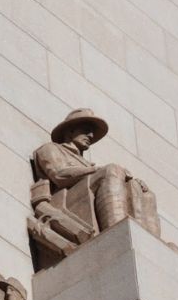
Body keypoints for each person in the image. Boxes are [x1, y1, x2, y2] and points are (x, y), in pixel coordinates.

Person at [29, 108, 160, 263]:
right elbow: (59, 175)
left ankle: (147, 240)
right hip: (66, 201)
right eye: (85, 131)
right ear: (70, 131)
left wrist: (131, 183)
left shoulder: (86, 163)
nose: (90, 136)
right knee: (112, 170)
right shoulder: (50, 149)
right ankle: (117, 229)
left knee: (143, 191)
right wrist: (96, 170)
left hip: (85, 189)